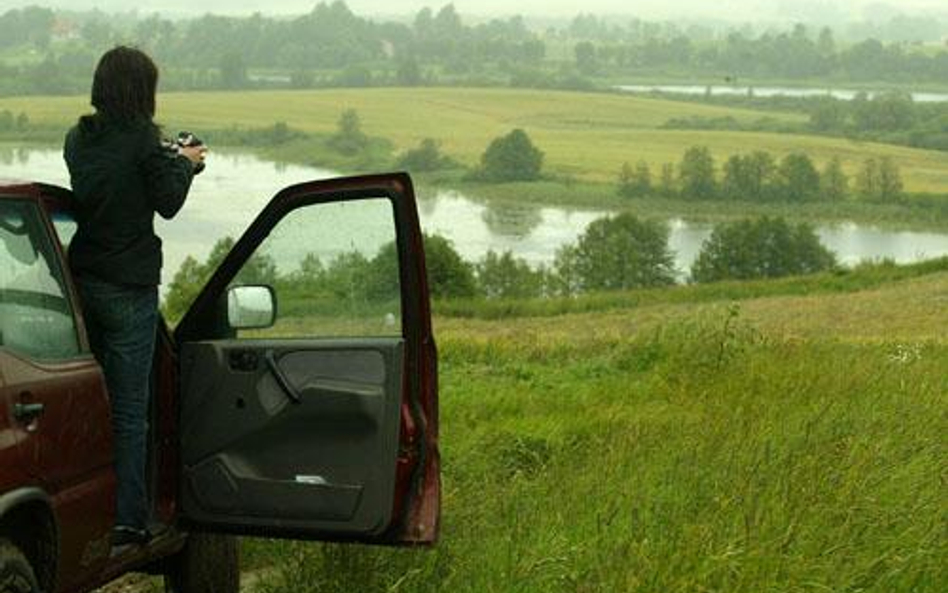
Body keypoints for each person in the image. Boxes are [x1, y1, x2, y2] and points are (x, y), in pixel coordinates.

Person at [63, 46, 206, 547]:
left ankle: (82, 515)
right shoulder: (148, 141)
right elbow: (166, 202)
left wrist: (168, 160)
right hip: (128, 289)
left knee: (87, 405)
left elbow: (111, 182)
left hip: (82, 282)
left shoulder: (77, 139)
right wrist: (185, 162)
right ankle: (127, 521)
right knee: (129, 411)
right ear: (143, 90)